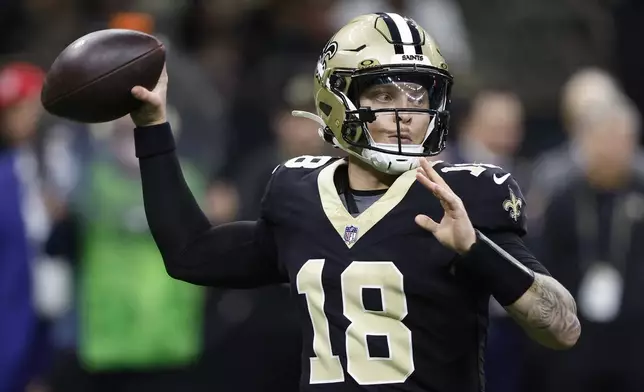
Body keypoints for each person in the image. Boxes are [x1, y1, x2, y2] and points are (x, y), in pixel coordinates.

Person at [128, 13, 580, 391]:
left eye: (419, 95)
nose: (405, 114)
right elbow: (192, 255)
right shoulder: (297, 192)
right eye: (384, 95)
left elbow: (563, 328)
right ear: (337, 100)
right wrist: (152, 128)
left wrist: (477, 248)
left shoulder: (464, 196)